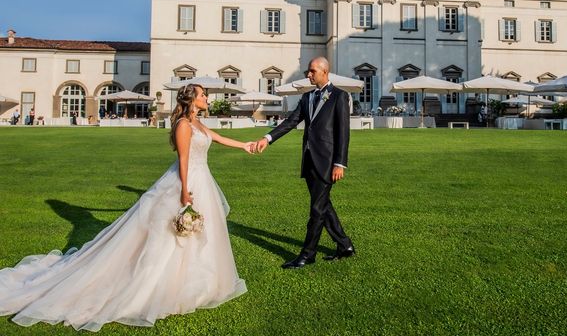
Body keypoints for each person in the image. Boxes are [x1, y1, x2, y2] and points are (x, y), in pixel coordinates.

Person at [0, 84, 253, 331]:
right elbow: (184, 159)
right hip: (186, 181)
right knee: (169, 236)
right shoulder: (184, 125)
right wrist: (185, 192)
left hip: (203, 178)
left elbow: (216, 138)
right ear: (192, 99)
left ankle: (195, 283)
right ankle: (162, 286)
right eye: (203, 95)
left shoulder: (197, 123)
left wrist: (245, 145)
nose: (207, 98)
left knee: (195, 235)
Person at [255, 57, 355, 269]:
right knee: (323, 205)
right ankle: (344, 245)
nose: (308, 75)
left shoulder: (340, 96)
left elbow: (343, 133)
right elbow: (291, 121)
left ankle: (307, 254)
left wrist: (340, 163)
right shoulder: (307, 97)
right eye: (308, 71)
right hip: (309, 159)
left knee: (317, 210)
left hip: (328, 162)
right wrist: (267, 138)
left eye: (312, 71)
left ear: (324, 72)